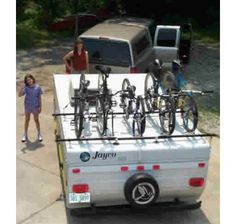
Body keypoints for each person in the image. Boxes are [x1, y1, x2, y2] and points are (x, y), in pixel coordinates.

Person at [18, 74, 43, 142]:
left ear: (32, 79)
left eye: (29, 79)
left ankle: (39, 134)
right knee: (27, 120)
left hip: (35, 107)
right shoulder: (26, 88)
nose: (29, 81)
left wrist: (40, 107)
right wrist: (21, 87)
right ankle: (25, 134)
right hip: (27, 106)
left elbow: (39, 98)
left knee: (36, 120)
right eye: (27, 80)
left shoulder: (38, 87)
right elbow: (19, 95)